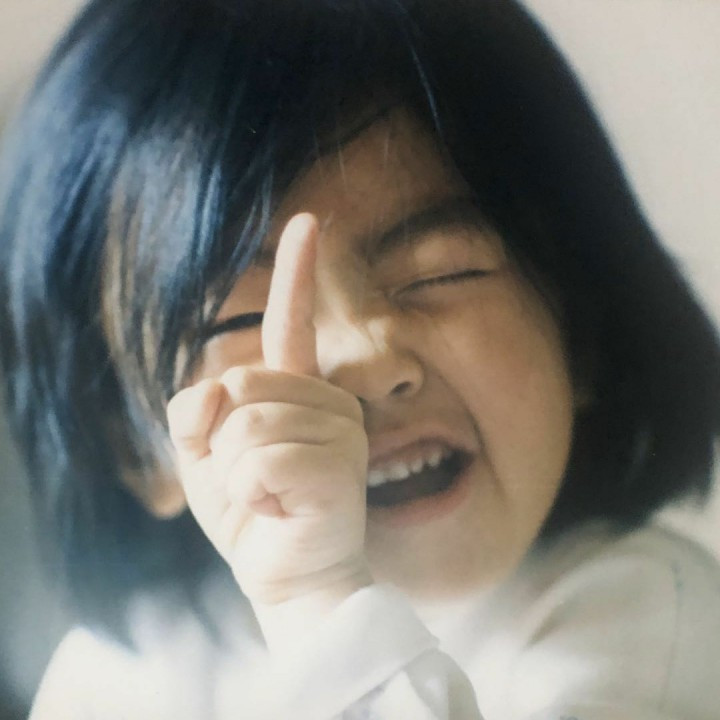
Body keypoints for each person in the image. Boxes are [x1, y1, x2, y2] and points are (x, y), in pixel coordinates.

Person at [1, 0, 719, 717]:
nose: (367, 357)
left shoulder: (646, 615)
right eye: (247, 317)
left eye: (440, 273)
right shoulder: (125, 672)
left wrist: (318, 601)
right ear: (135, 444)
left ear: (583, 328)